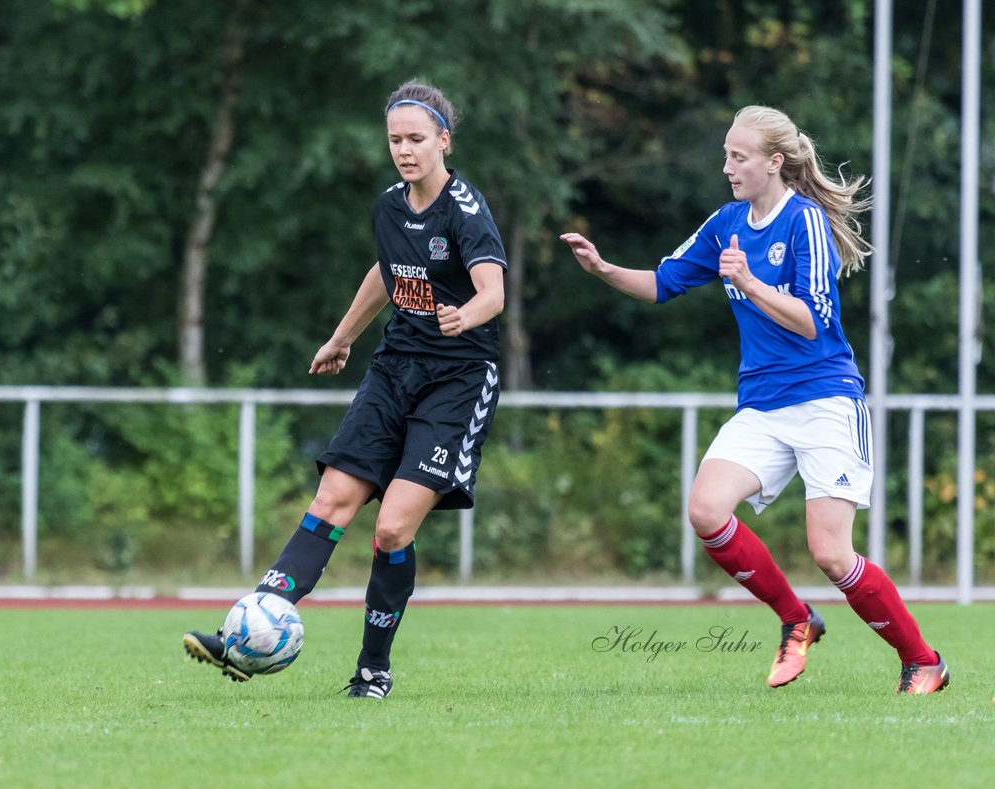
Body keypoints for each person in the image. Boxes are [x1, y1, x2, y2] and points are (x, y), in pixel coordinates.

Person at [561, 105, 949, 694]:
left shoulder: (806, 222)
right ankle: (797, 619)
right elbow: (664, 282)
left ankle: (923, 660)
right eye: (726, 155)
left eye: (738, 157)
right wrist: (602, 268)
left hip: (825, 400)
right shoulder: (727, 223)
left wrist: (749, 282)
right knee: (705, 510)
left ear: (773, 162)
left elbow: (813, 321)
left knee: (831, 554)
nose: (727, 167)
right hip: (763, 407)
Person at [184, 80, 506, 698]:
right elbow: (388, 274)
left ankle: (373, 670)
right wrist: (342, 337)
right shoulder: (390, 206)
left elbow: (492, 289)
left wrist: (468, 315)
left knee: (390, 529)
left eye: (416, 139)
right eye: (395, 140)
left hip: (458, 382)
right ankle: (249, 627)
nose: (405, 150)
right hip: (395, 368)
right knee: (332, 496)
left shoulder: (467, 211)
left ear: (444, 139)